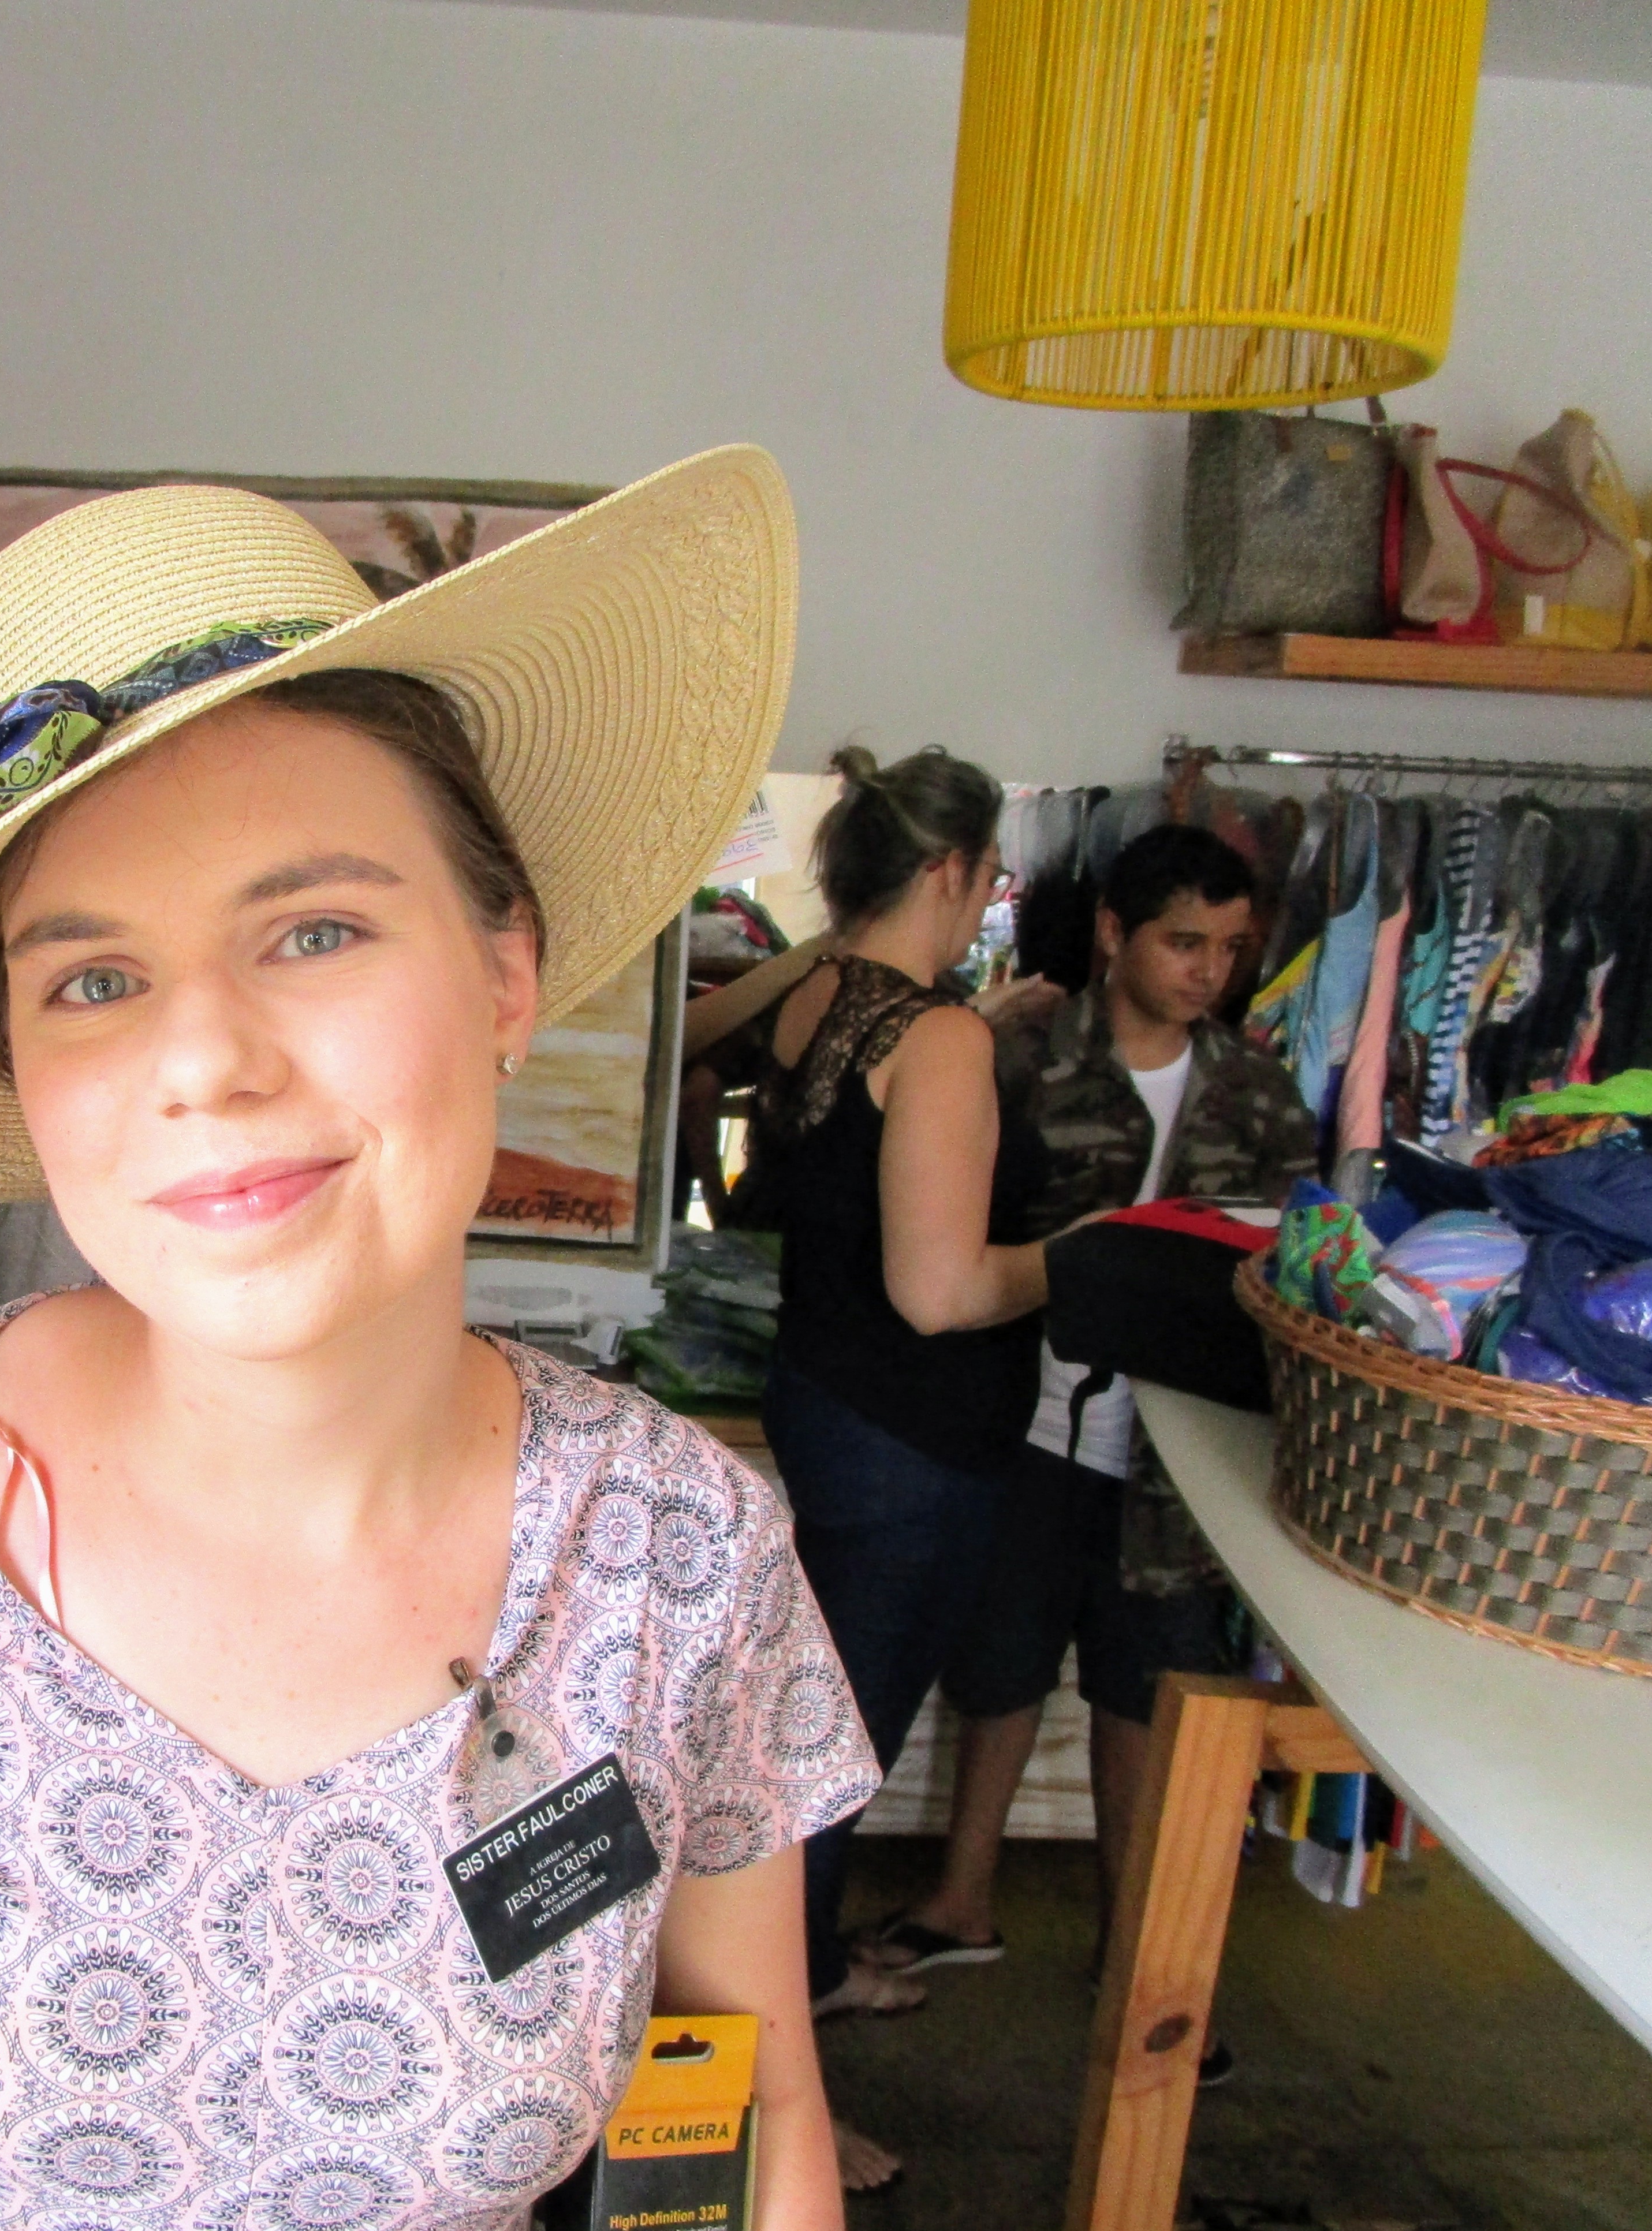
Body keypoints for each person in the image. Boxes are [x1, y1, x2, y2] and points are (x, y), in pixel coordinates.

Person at [0, 459, 881, 2231]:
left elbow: (745, 2121)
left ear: (506, 973)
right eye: (94, 981)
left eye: (315, 931)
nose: (207, 1065)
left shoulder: (677, 1553)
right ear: (18, 1064)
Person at [856, 826, 1316, 2053]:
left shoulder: (1258, 1095)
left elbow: (1293, 1268)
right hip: (1028, 1421)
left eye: (1227, 948)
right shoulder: (1012, 1061)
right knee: (999, 1664)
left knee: (1148, 1697)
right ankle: (962, 1895)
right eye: (1180, 941)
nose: (1204, 970)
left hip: (1187, 1458)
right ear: (1113, 933)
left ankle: (1137, 1950)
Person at [752, 744, 1053, 2191]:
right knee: (826, 1769)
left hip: (820, 1401)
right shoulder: (936, 1042)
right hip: (913, 1439)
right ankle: (788, 2107)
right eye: (989, 874)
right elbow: (941, 1290)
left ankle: (803, 1980)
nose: (990, 896)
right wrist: (1085, 1256)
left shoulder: (813, 997)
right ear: (950, 874)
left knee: (809, 1738)